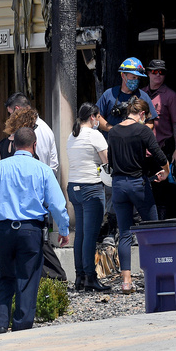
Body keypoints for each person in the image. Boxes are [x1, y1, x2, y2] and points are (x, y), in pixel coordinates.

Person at [0, 126, 70, 333]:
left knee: (4, 276)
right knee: (27, 278)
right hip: (30, 230)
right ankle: (22, 326)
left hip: (2, 230)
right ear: (34, 145)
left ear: (13, 144)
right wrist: (63, 229)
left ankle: (1, 324)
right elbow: (56, 204)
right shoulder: (43, 170)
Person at [108, 97, 169, 294]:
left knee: (124, 233)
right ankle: (157, 275)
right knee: (153, 229)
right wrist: (166, 171)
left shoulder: (114, 131)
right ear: (142, 114)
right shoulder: (142, 130)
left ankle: (126, 282)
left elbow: (110, 160)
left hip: (118, 185)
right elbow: (159, 155)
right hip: (138, 184)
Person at [66, 103, 110, 292]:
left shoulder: (72, 135)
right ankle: (90, 277)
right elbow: (107, 161)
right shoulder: (95, 135)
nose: (99, 121)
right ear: (93, 117)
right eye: (98, 117)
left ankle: (80, 277)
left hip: (73, 186)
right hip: (91, 187)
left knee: (81, 235)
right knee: (90, 236)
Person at [95, 58, 158, 133]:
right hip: (112, 142)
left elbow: (150, 122)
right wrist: (114, 130)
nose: (136, 81)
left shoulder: (143, 96)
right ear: (123, 75)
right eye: (133, 77)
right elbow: (97, 116)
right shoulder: (109, 94)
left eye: (138, 78)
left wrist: (138, 132)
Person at [145, 59, 176, 164]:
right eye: (154, 71)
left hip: (162, 150)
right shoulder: (140, 94)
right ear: (148, 73)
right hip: (141, 152)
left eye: (161, 72)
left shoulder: (172, 96)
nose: (158, 75)